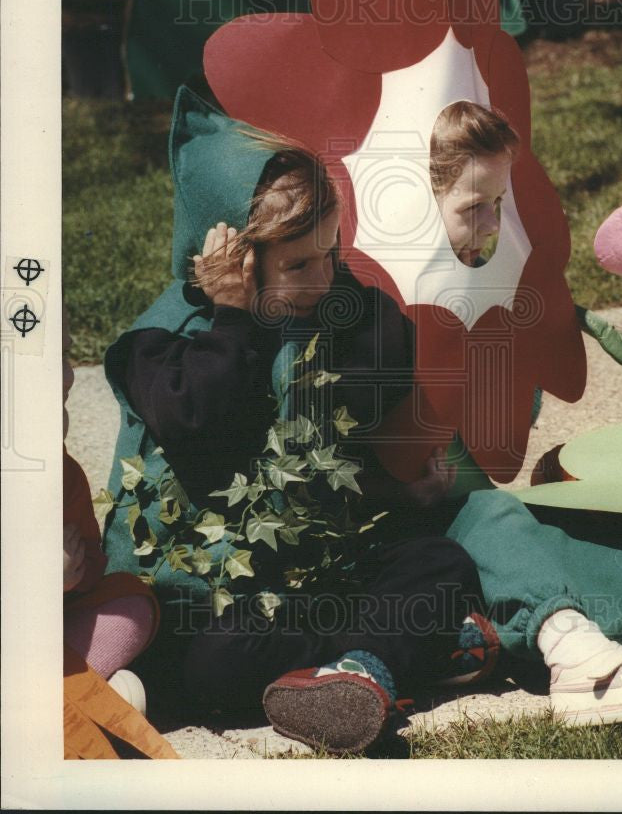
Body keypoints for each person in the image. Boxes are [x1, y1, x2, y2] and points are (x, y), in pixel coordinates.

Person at [101, 86, 486, 753]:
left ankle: (357, 670)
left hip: (312, 572)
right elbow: (198, 416)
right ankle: (387, 651)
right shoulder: (158, 343)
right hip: (213, 592)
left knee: (438, 560)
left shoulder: (327, 311)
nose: (323, 279)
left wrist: (395, 490)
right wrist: (234, 318)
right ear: (229, 260)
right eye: (298, 265)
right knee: (210, 664)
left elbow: (382, 367)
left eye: (332, 254)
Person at [427, 101, 622, 725]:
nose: (491, 225)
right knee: (492, 520)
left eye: (498, 203)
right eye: (473, 208)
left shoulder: (467, 272)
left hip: (447, 482)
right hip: (398, 511)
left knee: (530, 525)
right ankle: (572, 650)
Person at [62, 310, 177, 759]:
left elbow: (89, 560)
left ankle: (76, 686)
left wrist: (75, 575)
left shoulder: (64, 473)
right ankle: (84, 698)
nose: (59, 421)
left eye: (64, 403)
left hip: (51, 629)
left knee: (131, 602)